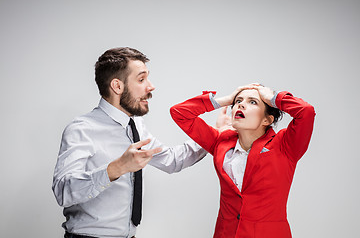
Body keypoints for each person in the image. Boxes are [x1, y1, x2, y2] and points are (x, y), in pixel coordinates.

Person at [52, 47, 219, 238]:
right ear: (117, 86)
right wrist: (117, 168)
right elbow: (63, 191)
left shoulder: (136, 125)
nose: (151, 86)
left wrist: (214, 134)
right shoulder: (82, 129)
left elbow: (172, 160)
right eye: (141, 79)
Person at [170, 84, 315, 238]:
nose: (240, 104)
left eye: (253, 102)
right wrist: (226, 100)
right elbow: (179, 112)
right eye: (238, 101)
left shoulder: (285, 145)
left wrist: (273, 97)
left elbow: (306, 112)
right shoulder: (220, 141)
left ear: (267, 119)